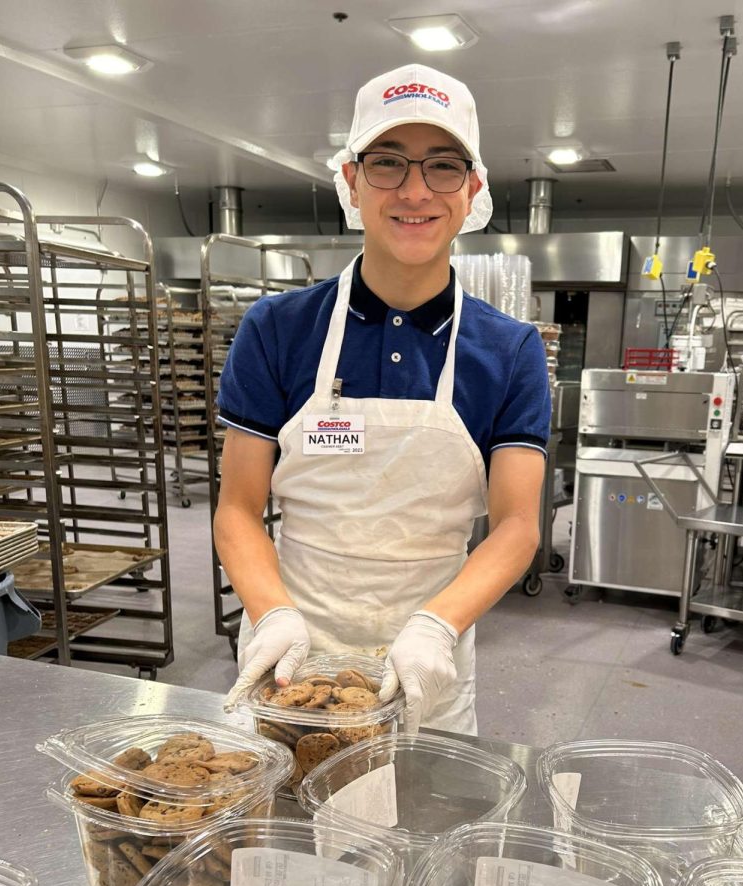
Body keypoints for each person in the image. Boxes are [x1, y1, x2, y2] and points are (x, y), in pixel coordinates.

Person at [215, 63, 550, 735]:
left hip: (426, 665)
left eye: (444, 166)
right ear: (352, 182)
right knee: (282, 836)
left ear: (472, 188)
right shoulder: (277, 329)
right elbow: (238, 507)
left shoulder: (509, 349)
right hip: (293, 662)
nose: (415, 190)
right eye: (388, 163)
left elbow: (516, 525)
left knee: (425, 829)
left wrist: (435, 627)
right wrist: (272, 614)